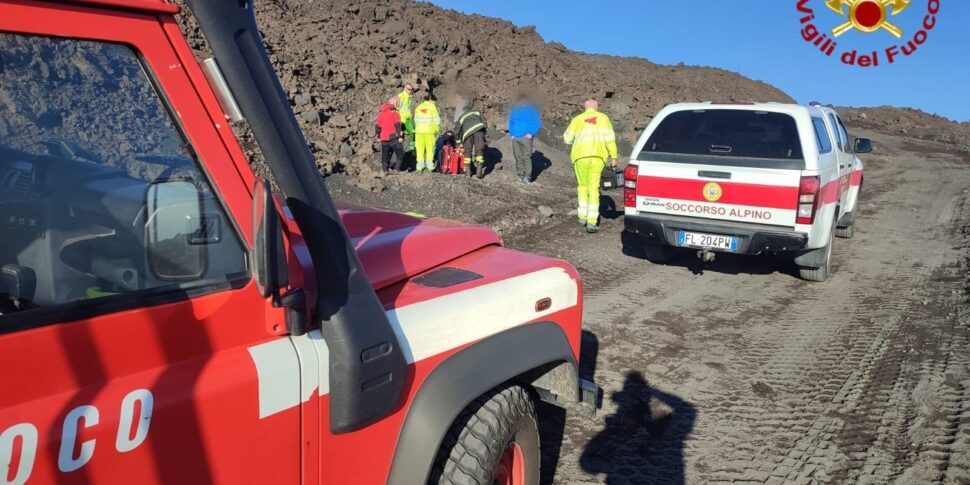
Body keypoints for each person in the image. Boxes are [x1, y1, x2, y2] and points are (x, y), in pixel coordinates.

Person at [563, 99, 618, 233]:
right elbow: (610, 139)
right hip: (598, 158)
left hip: (580, 158)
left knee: (582, 186)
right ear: (596, 107)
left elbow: (567, 139)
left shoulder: (577, 119)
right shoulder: (604, 118)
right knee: (594, 188)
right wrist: (614, 156)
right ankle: (592, 223)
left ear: (585, 107)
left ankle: (582, 217)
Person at [508, 94, 542, 184]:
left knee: (526, 157)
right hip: (515, 137)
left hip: (526, 138)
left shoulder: (531, 111)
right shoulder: (515, 111)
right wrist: (511, 134)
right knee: (518, 157)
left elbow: (537, 123)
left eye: (524, 101)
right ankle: (520, 176)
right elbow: (511, 123)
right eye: (520, 101)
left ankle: (527, 177)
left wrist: (531, 133)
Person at [456, 103, 487, 179]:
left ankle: (468, 173)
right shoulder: (477, 112)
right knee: (479, 150)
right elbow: (484, 121)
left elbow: (457, 131)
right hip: (479, 130)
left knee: (467, 151)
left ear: (464, 111)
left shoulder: (461, 117)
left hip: (467, 134)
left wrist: (458, 143)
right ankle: (479, 171)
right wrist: (484, 131)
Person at [374, 97, 404, 173]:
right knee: (400, 153)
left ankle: (385, 169)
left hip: (383, 137)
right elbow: (397, 125)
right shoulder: (395, 113)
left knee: (385, 154)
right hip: (393, 137)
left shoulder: (381, 113)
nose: (398, 105)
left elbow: (377, 126)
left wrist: (378, 136)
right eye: (397, 103)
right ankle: (396, 169)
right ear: (393, 103)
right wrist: (400, 137)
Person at [412, 93, 441, 173]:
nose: (435, 103)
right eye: (435, 102)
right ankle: (430, 166)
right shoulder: (432, 107)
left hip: (419, 132)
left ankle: (419, 166)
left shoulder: (418, 107)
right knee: (430, 149)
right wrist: (436, 130)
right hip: (429, 132)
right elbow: (437, 121)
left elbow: (415, 120)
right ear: (432, 101)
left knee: (419, 149)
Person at [396, 83, 416, 152]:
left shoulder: (409, 97)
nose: (410, 91)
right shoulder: (400, 96)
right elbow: (396, 107)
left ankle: (411, 148)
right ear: (404, 88)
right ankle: (397, 152)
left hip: (408, 120)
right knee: (399, 137)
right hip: (401, 120)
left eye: (411, 89)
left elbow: (408, 108)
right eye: (408, 89)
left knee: (414, 133)